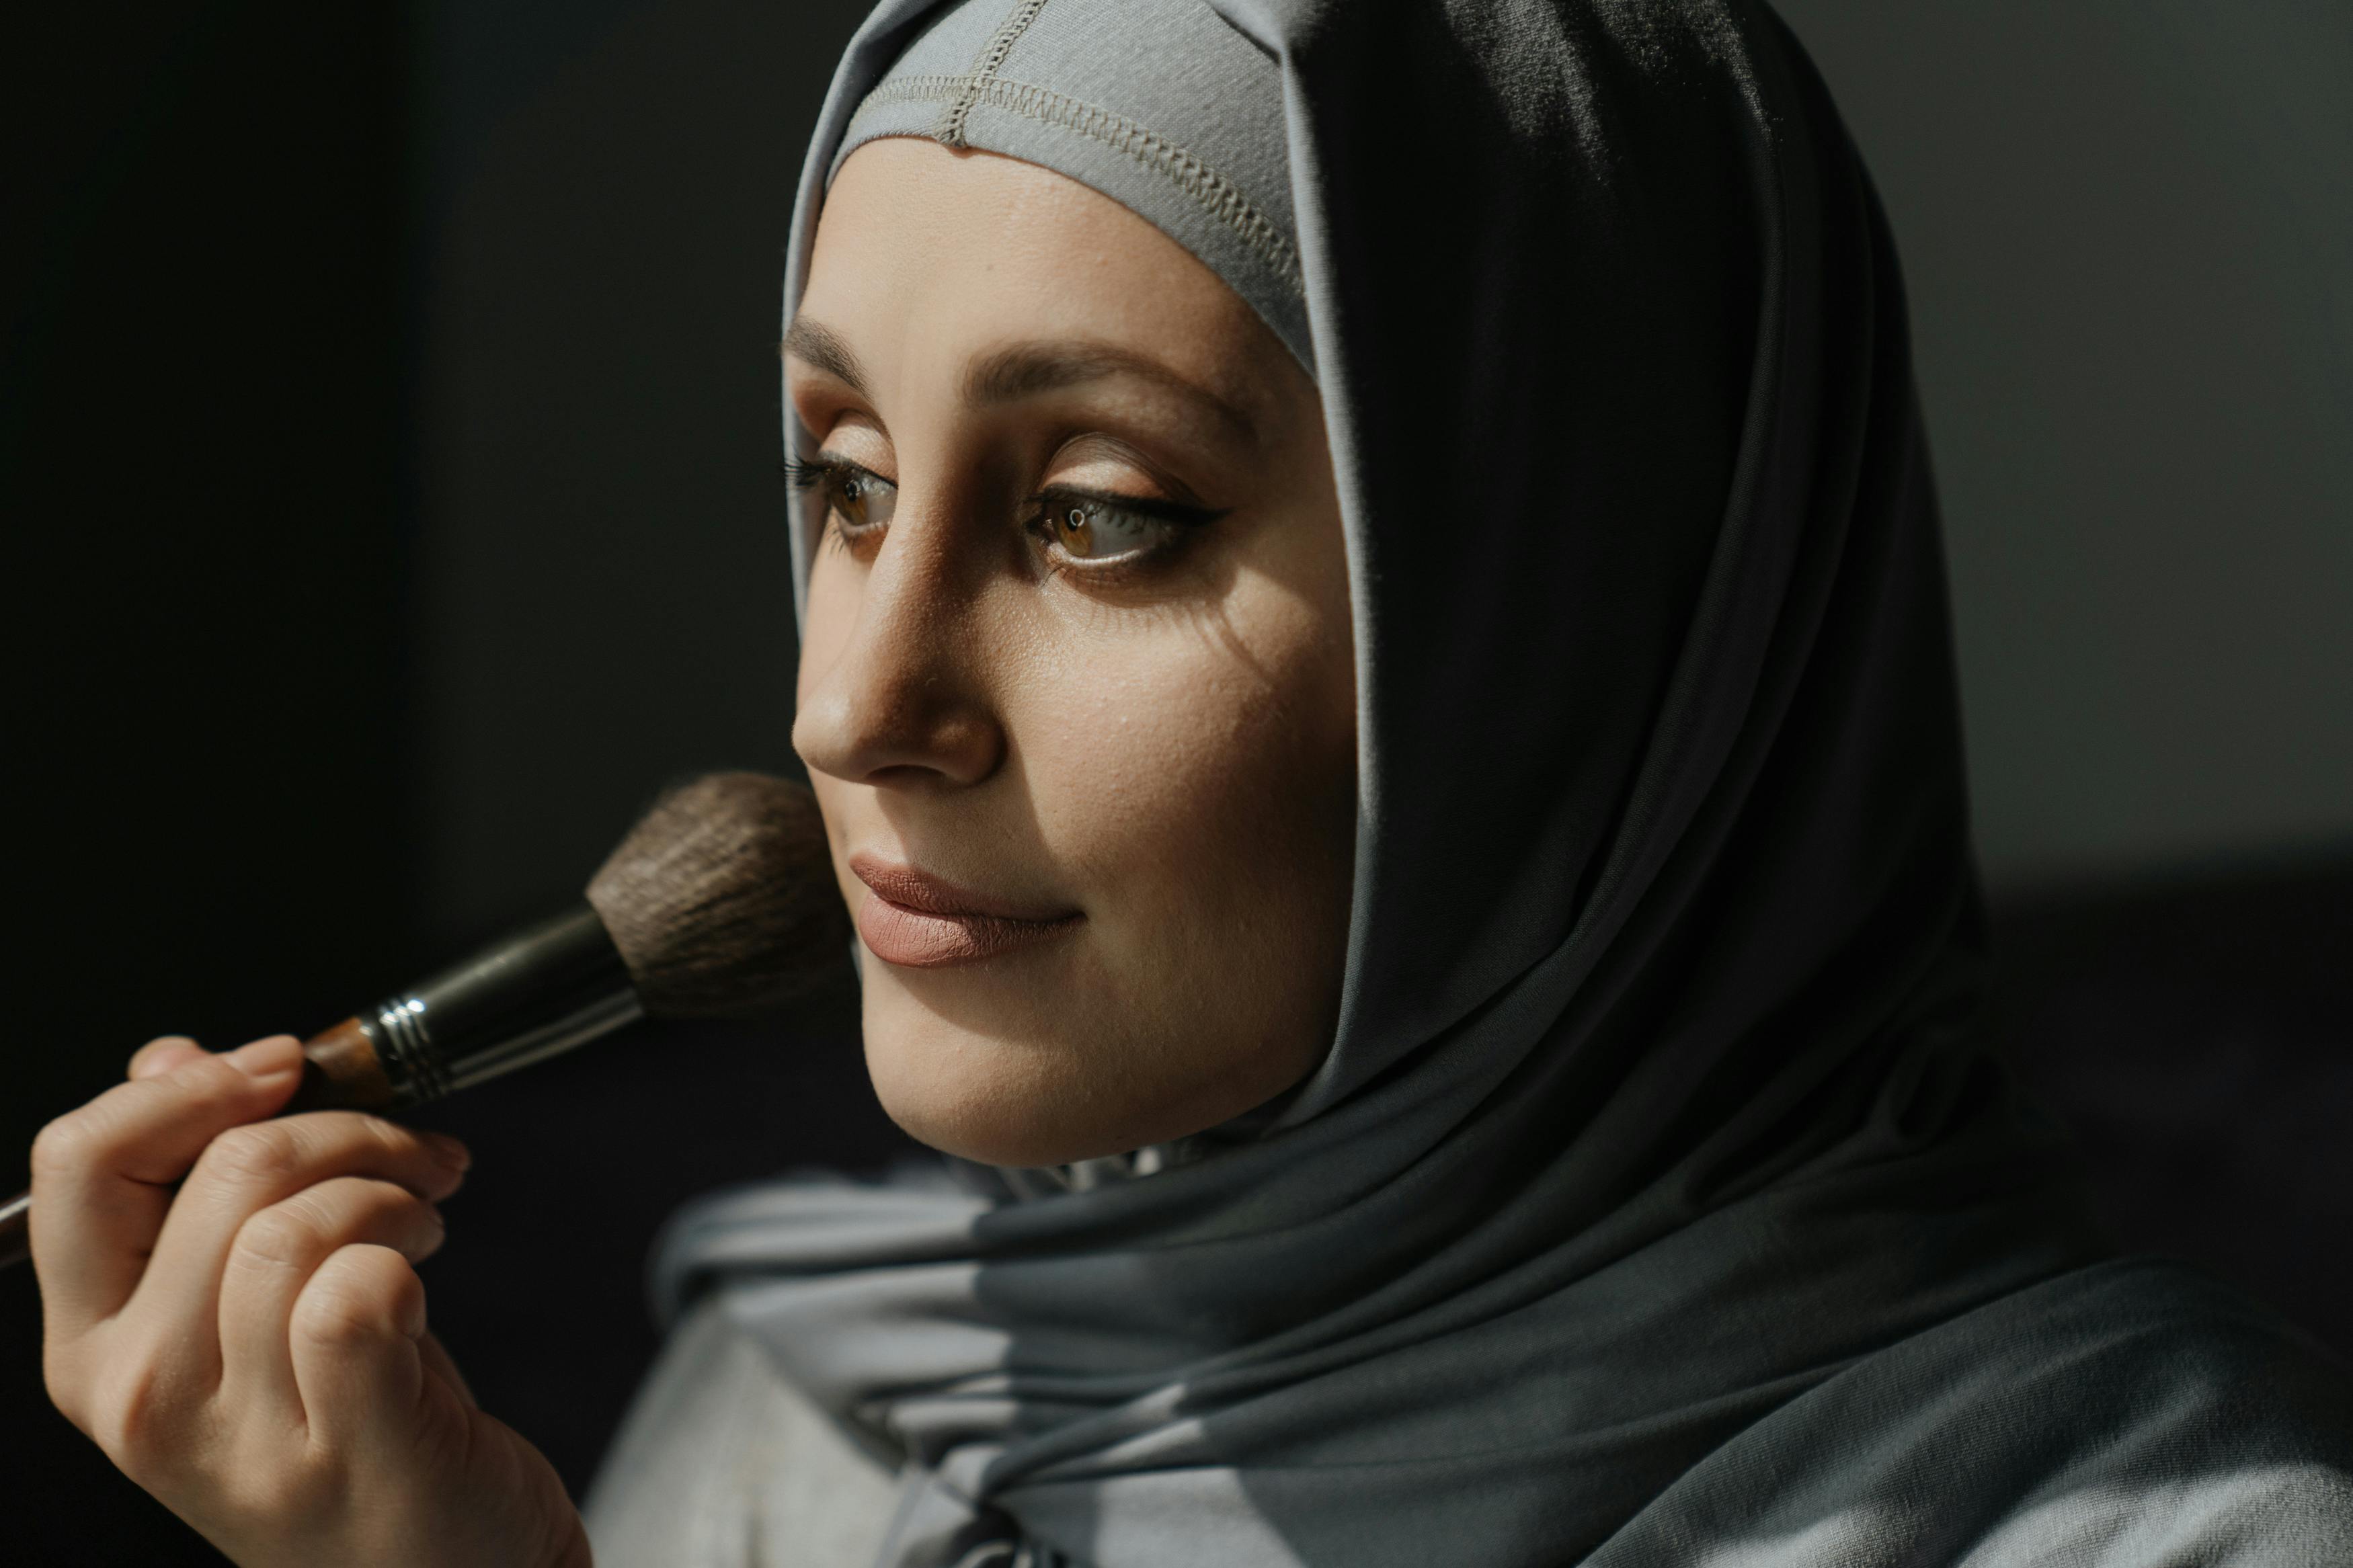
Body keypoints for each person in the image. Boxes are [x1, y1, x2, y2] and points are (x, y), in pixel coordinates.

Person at [30, 1, 2353, 1564]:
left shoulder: (2146, 1526)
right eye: (839, 479)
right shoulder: (792, 1416)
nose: (852, 705)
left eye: (1097, 514)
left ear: (1570, 628)